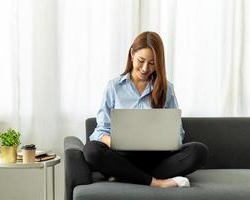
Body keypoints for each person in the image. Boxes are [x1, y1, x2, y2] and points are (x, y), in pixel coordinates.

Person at [83, 31, 208, 188]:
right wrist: (117, 142)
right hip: (122, 156)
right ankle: (156, 182)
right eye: (141, 60)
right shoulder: (114, 87)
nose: (144, 68)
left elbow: (178, 133)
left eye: (152, 63)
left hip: (156, 158)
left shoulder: (166, 89)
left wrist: (166, 141)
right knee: (91, 151)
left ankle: (125, 175)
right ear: (132, 54)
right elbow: (100, 131)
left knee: (198, 151)